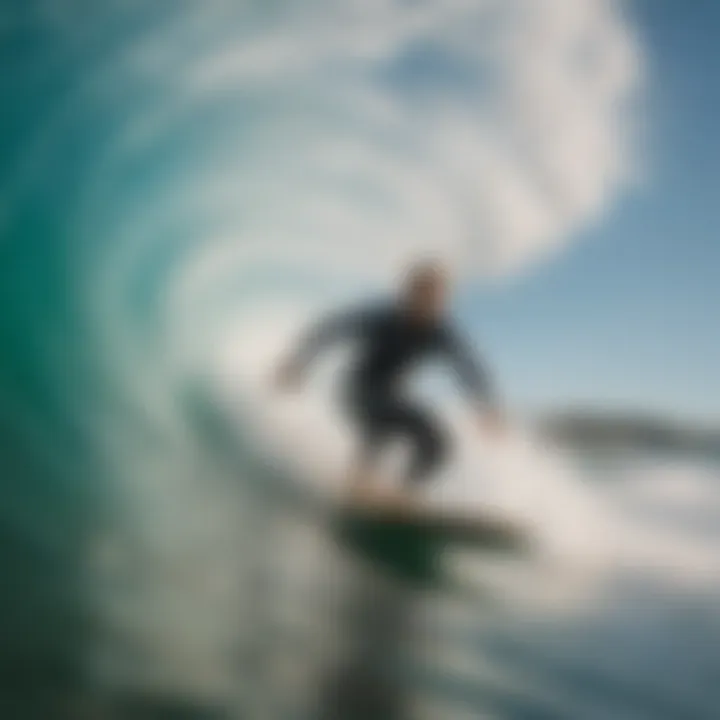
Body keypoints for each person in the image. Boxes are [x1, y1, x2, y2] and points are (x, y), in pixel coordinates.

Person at [274, 261, 504, 495]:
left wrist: (486, 407)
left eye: (436, 297)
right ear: (410, 293)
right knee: (380, 421)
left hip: (391, 396)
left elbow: (467, 366)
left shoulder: (439, 332)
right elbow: (332, 328)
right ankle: (358, 483)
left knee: (435, 443)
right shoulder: (383, 318)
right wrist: (297, 362)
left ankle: (403, 494)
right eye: (424, 294)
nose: (430, 303)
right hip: (357, 390)